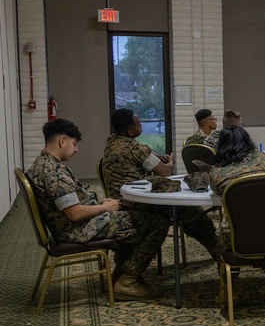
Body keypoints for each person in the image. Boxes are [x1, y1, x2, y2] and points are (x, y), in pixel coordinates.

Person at [27, 118, 168, 299]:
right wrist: (105, 208)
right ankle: (128, 281)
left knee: (134, 216)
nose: (76, 149)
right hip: (78, 229)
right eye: (74, 143)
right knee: (157, 223)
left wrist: (100, 204)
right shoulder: (54, 172)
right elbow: (75, 213)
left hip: (69, 226)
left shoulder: (41, 165)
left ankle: (121, 274)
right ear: (62, 141)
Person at [101, 108, 219, 261]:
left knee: (185, 211)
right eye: (139, 124)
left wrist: (155, 157)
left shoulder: (111, 143)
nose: (141, 125)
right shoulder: (135, 148)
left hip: (119, 198)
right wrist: (170, 162)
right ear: (130, 132)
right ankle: (217, 249)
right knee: (190, 210)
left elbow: (144, 157)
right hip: (136, 202)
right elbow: (165, 172)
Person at [209, 125, 265, 299]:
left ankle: (229, 288)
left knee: (219, 236)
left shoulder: (219, 173)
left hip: (238, 234)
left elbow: (216, 191)